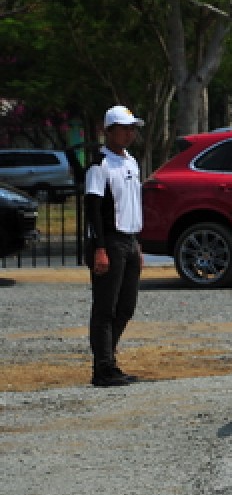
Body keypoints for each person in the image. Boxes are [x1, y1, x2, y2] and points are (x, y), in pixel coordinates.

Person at [84, 105, 146, 387]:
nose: (129, 133)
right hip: (109, 240)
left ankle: (109, 358)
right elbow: (93, 208)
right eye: (124, 128)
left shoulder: (131, 161)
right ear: (109, 131)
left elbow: (132, 204)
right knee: (105, 307)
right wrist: (99, 247)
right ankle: (103, 368)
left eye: (132, 128)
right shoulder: (100, 163)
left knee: (126, 306)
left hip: (129, 240)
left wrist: (137, 244)